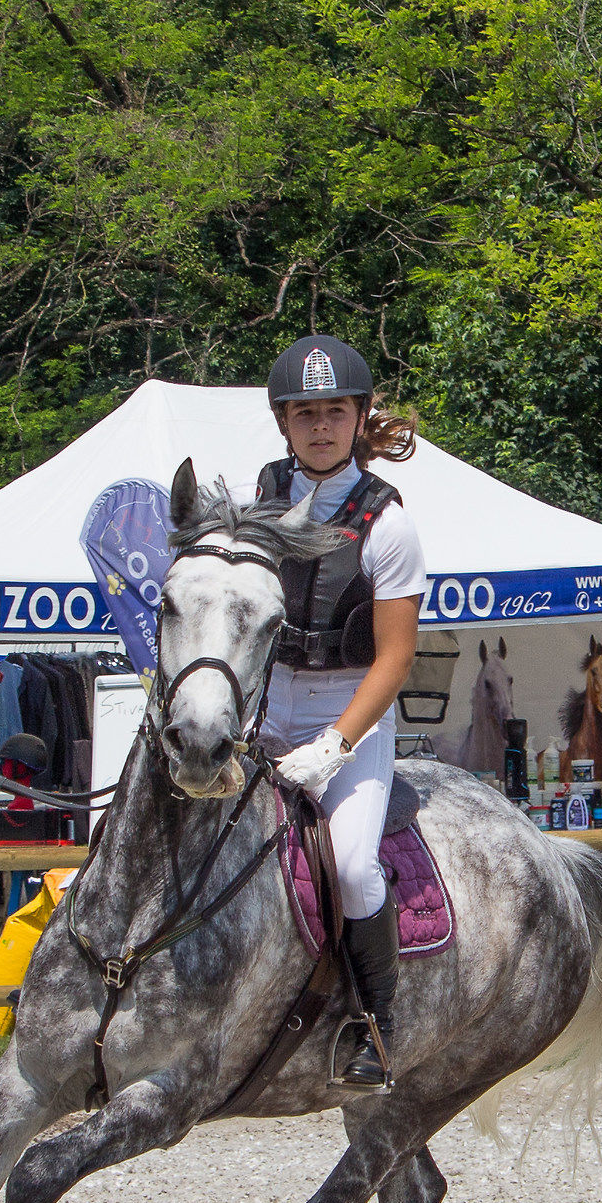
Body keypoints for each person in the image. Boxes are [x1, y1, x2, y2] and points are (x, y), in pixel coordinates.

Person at [254, 335, 425, 1088]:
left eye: (334, 413)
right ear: (284, 423)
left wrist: (334, 745)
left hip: (348, 709)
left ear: (359, 419)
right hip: (263, 703)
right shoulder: (257, 501)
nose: (320, 427)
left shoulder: (389, 525)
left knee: (353, 867)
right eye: (305, 414)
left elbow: (395, 658)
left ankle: (376, 1027)